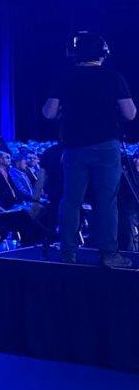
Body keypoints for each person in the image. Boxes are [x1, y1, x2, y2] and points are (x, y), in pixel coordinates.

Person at [42, 31, 134, 268]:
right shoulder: (113, 77)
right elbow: (130, 113)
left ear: (75, 54)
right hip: (106, 147)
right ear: (103, 52)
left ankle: (68, 253)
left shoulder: (64, 77)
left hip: (74, 148)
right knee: (106, 202)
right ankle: (109, 255)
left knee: (71, 200)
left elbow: (49, 113)